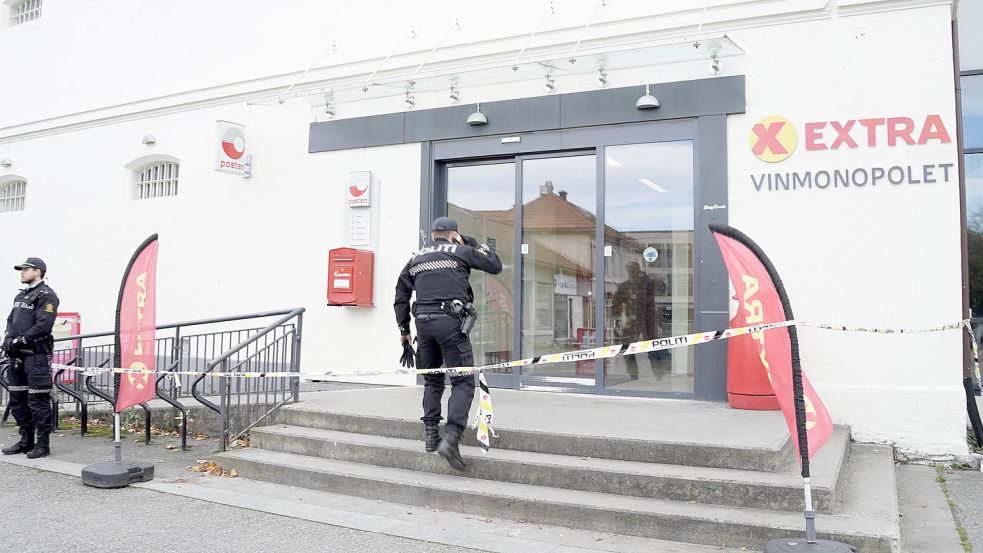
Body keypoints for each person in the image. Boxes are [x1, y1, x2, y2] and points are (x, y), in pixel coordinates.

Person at [394, 217, 502, 470]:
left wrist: (404, 330)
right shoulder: (462, 251)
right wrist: (473, 242)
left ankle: (431, 436)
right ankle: (451, 439)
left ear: (433, 235)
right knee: (462, 381)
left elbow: (401, 295)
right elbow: (494, 264)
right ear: (454, 234)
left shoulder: (416, 258)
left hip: (423, 324)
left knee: (432, 380)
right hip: (451, 324)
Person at [2, 257, 59, 458]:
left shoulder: (47, 295)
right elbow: (11, 320)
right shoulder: (21, 296)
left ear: (37, 271)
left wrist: (21, 340)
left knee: (37, 400)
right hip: (17, 357)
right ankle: (25, 441)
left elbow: (43, 325)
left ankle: (42, 445)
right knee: (18, 399)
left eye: (25, 270)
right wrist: (9, 339)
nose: (22, 273)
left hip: (36, 356)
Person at [612, 260, 665, 380]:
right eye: (630, 270)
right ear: (627, 272)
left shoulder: (647, 283)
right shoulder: (624, 286)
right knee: (629, 349)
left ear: (638, 271)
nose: (632, 273)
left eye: (634, 270)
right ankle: (633, 374)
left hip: (647, 321)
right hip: (631, 322)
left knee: (652, 347)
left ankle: (658, 374)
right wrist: (620, 318)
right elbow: (615, 305)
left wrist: (645, 277)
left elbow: (662, 286)